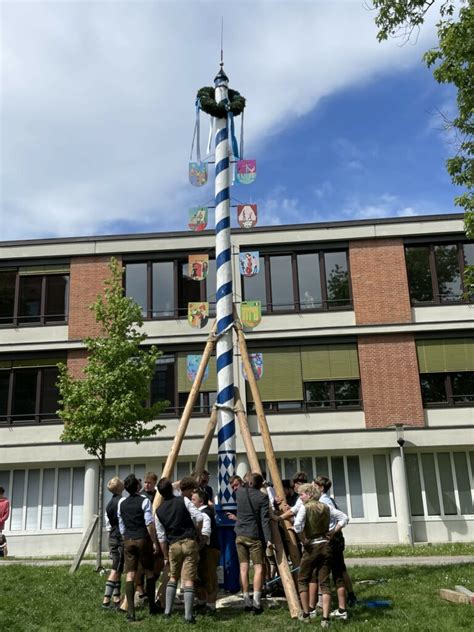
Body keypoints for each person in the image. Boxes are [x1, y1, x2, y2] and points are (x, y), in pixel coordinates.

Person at [293, 483, 348, 627]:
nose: (300, 497)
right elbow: (344, 518)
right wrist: (333, 531)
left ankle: (306, 614)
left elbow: (297, 526)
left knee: (303, 579)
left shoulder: (305, 508)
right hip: (326, 545)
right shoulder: (326, 506)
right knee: (324, 582)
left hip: (312, 546)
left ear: (310, 494)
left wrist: (303, 540)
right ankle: (325, 619)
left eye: (302, 494)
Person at [155, 476, 204, 624]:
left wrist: (165, 555)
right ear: (171, 488)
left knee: (173, 578)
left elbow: (161, 537)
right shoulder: (183, 500)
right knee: (188, 579)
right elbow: (199, 517)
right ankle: (188, 616)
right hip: (189, 540)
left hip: (173, 545)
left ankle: (167, 612)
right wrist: (198, 533)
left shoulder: (158, 511)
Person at [117, 474, 160, 622]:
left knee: (130, 574)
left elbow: (121, 525)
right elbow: (149, 523)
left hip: (128, 539)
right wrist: (154, 541)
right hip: (142, 539)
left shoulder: (121, 503)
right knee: (149, 571)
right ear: (137, 486)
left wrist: (126, 539)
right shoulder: (144, 501)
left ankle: (131, 612)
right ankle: (152, 606)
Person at [314, 475, 356, 613]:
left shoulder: (325, 502)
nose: (312, 487)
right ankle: (348, 599)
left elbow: (342, 518)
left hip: (333, 541)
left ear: (320, 487)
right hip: (335, 539)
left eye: (314, 485)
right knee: (340, 571)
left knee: (337, 573)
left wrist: (332, 532)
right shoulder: (325, 500)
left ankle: (342, 606)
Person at [234, 472, 272, 615]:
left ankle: (246, 601)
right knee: (258, 568)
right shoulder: (263, 498)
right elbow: (265, 520)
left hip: (239, 534)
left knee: (243, 568)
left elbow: (244, 484)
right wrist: (268, 539)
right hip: (254, 535)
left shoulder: (240, 493)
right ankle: (256, 603)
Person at [192, 489, 220, 614]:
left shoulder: (204, 514)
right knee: (199, 577)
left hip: (209, 549)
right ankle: (202, 602)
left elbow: (205, 533)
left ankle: (211, 606)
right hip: (204, 550)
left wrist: (197, 549)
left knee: (210, 578)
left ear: (201, 501)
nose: (191, 502)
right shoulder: (201, 512)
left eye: (193, 500)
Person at [102, 477, 125, 609]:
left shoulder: (108, 504)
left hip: (112, 536)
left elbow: (108, 525)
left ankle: (116, 597)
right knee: (116, 569)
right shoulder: (122, 501)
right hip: (120, 537)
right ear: (120, 487)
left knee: (118, 566)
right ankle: (106, 599)